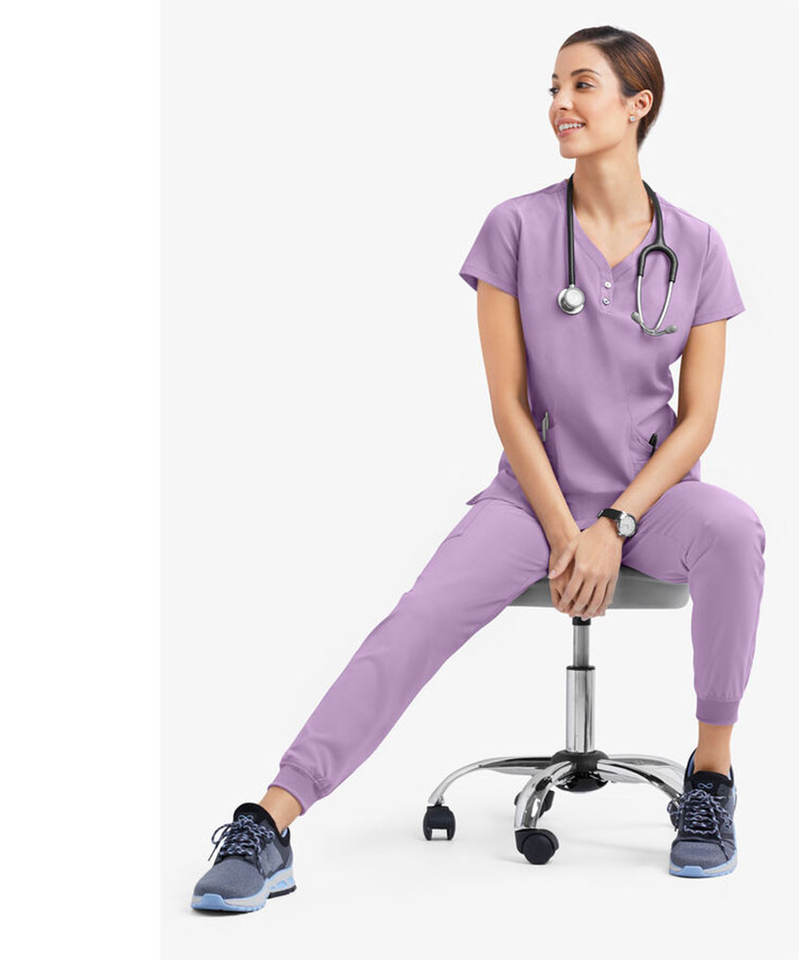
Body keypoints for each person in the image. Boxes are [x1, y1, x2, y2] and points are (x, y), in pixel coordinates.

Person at [190, 25, 766, 910]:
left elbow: (698, 423)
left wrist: (614, 524)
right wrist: (568, 530)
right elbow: (508, 403)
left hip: (648, 503)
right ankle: (271, 819)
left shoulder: (699, 245)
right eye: (553, 87)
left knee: (734, 530)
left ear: (637, 105)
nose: (560, 104)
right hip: (531, 499)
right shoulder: (516, 228)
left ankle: (712, 778)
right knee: (414, 622)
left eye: (582, 85)